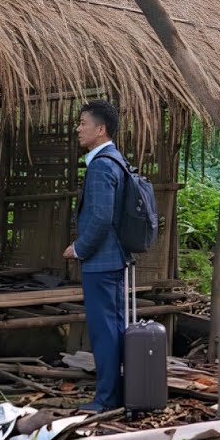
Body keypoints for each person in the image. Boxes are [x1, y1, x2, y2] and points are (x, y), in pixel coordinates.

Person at [64, 99, 129, 412]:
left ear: (100, 129)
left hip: (102, 262)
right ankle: (116, 394)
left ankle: (106, 399)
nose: (78, 129)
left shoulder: (102, 165)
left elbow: (102, 217)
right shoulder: (114, 160)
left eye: (83, 123)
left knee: (105, 332)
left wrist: (79, 248)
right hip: (111, 259)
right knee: (112, 329)